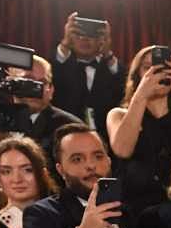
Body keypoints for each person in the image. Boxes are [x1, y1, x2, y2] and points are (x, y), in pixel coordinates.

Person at [106, 45, 171, 213]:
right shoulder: (119, 115)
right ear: (137, 75)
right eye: (148, 67)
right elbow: (122, 150)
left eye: (164, 66)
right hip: (135, 207)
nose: (156, 71)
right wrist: (141, 94)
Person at [51, 12, 124, 140]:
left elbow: (123, 81)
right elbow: (53, 69)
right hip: (64, 135)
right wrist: (65, 43)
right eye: (79, 35)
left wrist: (107, 52)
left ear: (101, 40)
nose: (85, 39)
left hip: (106, 138)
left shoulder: (111, 68)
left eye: (91, 35)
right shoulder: (59, 66)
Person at [8, 56, 83, 169]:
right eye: (29, 80)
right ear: (10, 84)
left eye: (42, 82)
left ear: (51, 90)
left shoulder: (70, 127)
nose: (37, 88)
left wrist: (7, 148)